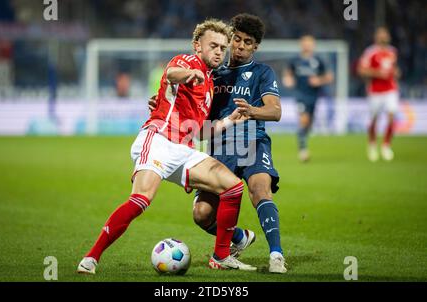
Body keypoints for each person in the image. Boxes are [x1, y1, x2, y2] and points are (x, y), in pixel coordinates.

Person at [77, 18, 257, 275]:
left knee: (233, 187)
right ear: (197, 46)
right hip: (159, 139)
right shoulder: (187, 62)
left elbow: (200, 131)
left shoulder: (209, 85)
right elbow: (171, 73)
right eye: (213, 45)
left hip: (184, 149)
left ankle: (222, 255)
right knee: (141, 199)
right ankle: (91, 258)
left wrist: (230, 120)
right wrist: (188, 74)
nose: (219, 51)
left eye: (222, 47)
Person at [150, 13, 287, 273]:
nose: (240, 46)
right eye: (236, 39)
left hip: (251, 144)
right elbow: (192, 116)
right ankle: (238, 238)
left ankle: (276, 256)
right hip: (218, 148)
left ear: (255, 46)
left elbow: (275, 111)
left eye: (248, 42)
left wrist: (251, 112)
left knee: (260, 190)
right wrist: (162, 103)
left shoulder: (262, 73)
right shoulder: (213, 74)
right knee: (201, 214)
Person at [282, 35, 334, 162]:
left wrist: (319, 80)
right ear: (301, 45)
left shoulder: (318, 60)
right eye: (305, 43)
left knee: (308, 124)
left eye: (309, 43)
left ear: (313, 45)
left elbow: (329, 77)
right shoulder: (295, 60)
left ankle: (303, 139)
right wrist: (287, 80)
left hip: (314, 96)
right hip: (300, 95)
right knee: (303, 120)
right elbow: (288, 74)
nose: (307, 45)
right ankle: (303, 150)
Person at [357, 27, 399, 162]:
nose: (383, 37)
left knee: (392, 117)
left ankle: (386, 145)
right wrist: (377, 73)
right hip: (375, 90)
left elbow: (393, 69)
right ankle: (372, 144)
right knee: (374, 119)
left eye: (385, 34)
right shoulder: (370, 52)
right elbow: (361, 70)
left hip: (391, 89)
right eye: (381, 35)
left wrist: (396, 73)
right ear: (376, 37)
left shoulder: (392, 52)